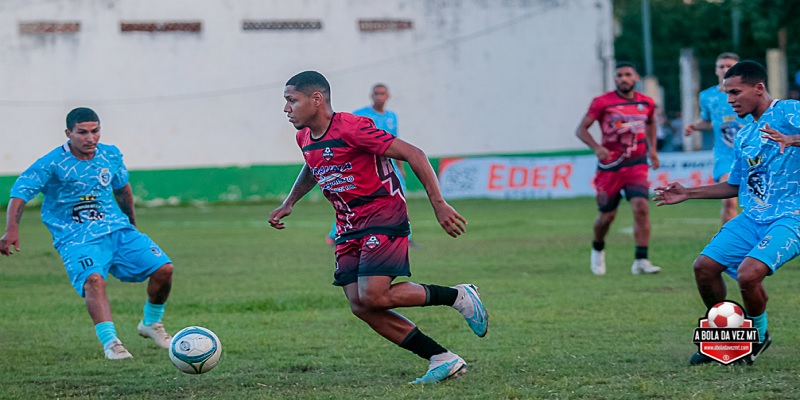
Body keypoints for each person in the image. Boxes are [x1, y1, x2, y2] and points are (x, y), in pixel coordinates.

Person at [269, 71, 488, 384]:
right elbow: (313, 165)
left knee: (374, 296)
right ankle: (442, 358)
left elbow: (414, 154)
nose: (286, 109)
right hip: (347, 223)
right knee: (360, 305)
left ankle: (457, 296)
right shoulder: (304, 136)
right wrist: (290, 201)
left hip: (382, 213)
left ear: (316, 99)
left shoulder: (353, 127)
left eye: (292, 100)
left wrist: (439, 204)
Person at [654, 60, 800, 365]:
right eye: (726, 93)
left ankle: (758, 337)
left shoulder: (788, 111)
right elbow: (735, 185)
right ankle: (729, 338)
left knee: (748, 274)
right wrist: (688, 193)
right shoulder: (745, 136)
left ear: (759, 88)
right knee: (704, 267)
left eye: (735, 92)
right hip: (753, 216)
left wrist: (792, 139)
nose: (729, 100)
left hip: (791, 216)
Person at [0, 107, 174, 360]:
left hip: (117, 229)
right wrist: (11, 229)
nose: (90, 138)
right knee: (93, 280)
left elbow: (122, 189)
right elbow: (21, 192)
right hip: (75, 236)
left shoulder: (110, 155)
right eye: (82, 132)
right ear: (69, 133)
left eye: (95, 131)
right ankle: (111, 342)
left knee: (164, 268)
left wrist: (132, 224)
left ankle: (151, 323)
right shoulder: (51, 163)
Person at [575, 62, 662, 276]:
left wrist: (652, 151)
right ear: (615, 79)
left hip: (636, 164)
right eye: (619, 75)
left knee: (641, 206)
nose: (623, 78)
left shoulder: (647, 102)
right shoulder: (603, 102)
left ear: (635, 78)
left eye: (627, 75)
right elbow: (581, 129)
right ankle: (598, 249)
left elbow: (650, 123)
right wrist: (597, 147)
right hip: (610, 167)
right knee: (606, 217)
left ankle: (641, 260)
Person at [326, 83, 418, 247]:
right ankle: (335, 234)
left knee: (400, 197)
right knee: (353, 200)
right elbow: (346, 136)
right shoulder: (360, 115)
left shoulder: (392, 117)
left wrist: (401, 168)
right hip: (366, 165)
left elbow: (395, 142)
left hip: (388, 164)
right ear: (371, 96)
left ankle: (405, 238)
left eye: (382, 94)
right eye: (376, 94)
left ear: (388, 96)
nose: (379, 97)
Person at [684, 52, 750, 225]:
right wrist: (695, 126)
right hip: (726, 155)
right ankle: (729, 245)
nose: (725, 69)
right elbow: (709, 121)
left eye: (729, 66)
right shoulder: (707, 96)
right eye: (721, 66)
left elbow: (763, 118)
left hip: (753, 153)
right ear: (716, 70)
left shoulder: (750, 92)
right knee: (729, 201)